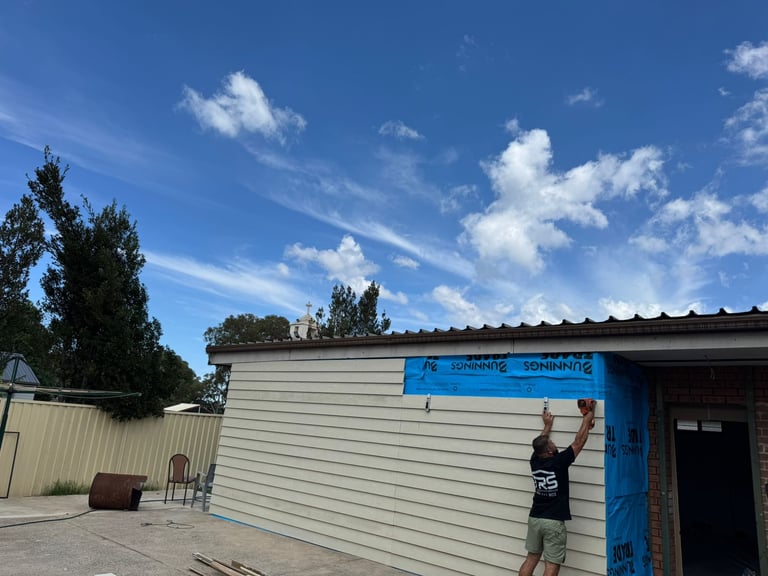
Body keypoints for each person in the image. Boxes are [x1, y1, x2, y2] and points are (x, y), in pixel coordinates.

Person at [518, 400, 597, 576]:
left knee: (531, 558)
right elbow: (578, 442)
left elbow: (540, 443)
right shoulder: (558, 462)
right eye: (552, 444)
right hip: (552, 522)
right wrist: (587, 418)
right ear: (548, 452)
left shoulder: (535, 460)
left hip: (535, 518)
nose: (554, 444)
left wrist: (547, 426)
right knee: (552, 565)